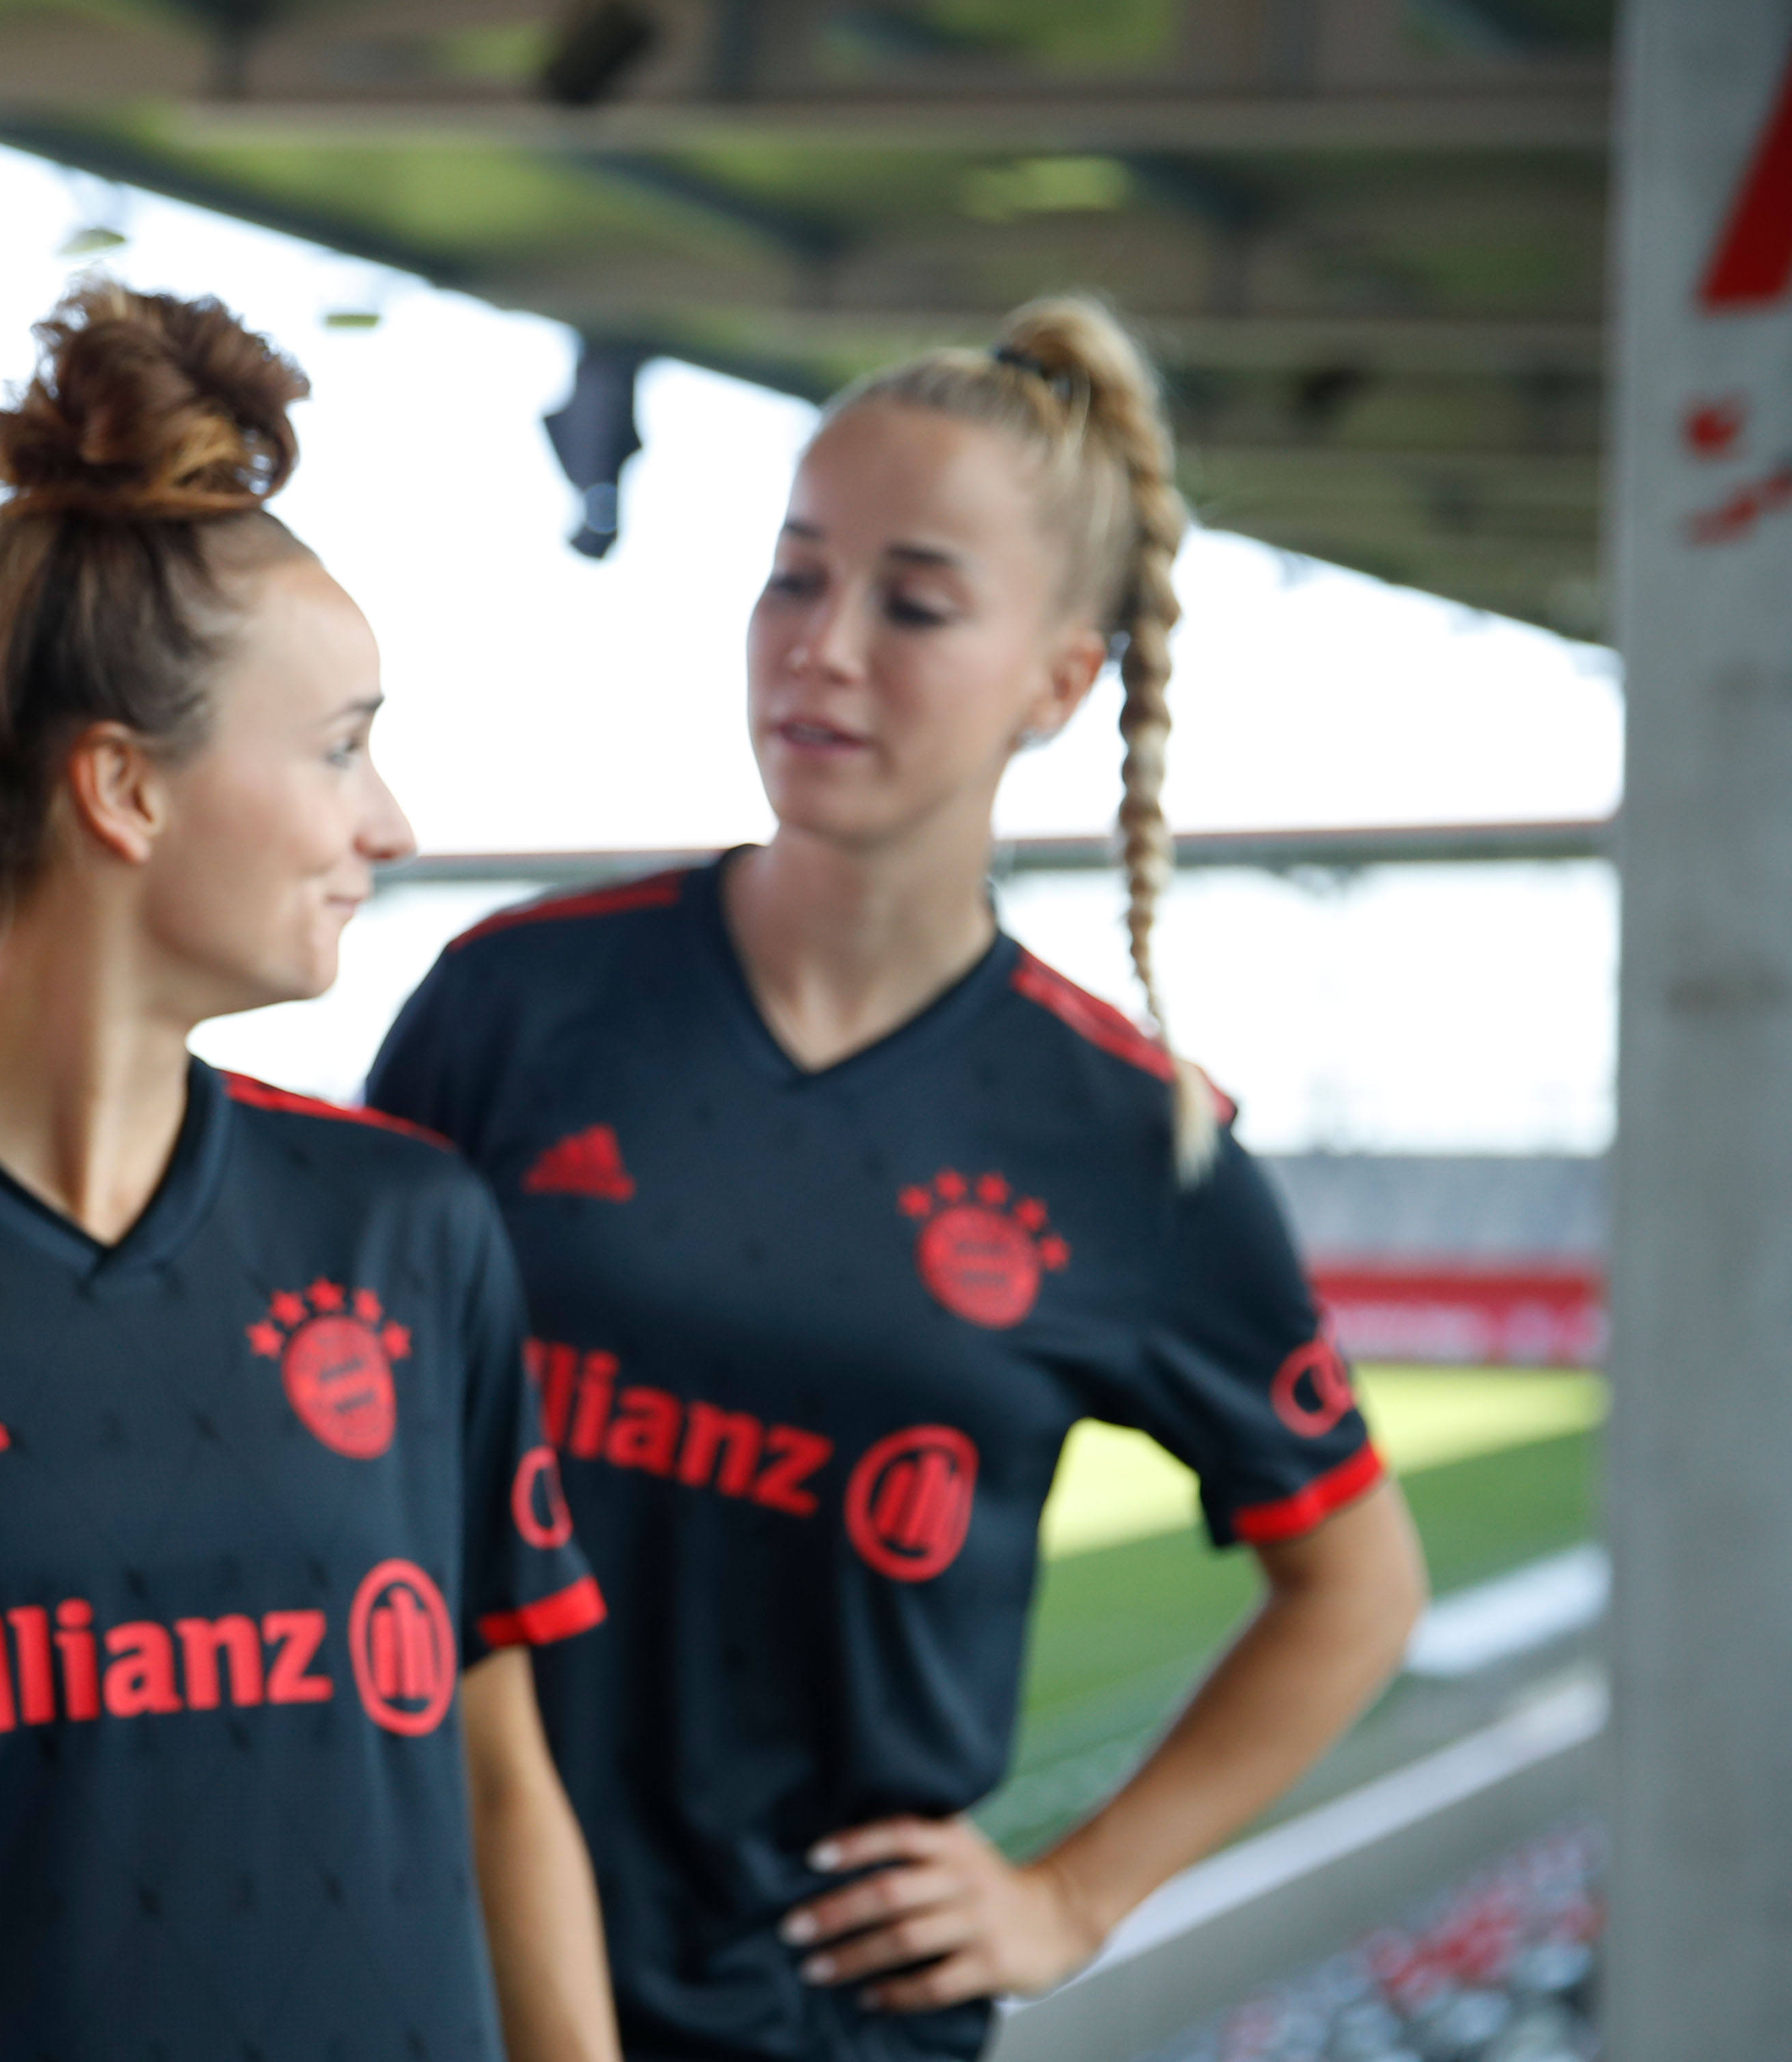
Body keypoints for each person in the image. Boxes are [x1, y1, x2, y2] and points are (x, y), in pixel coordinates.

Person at [367, 299, 1433, 2059]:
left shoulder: (1128, 1144)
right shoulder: (520, 1001)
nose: (824, 646)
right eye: (795, 577)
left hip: (821, 2027)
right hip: (430, 1974)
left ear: (1059, 683)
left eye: (915, 602)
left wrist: (1069, 1896)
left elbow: (1359, 1584)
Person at [0, 281, 620, 2062]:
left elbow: (502, 1778)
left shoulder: (409, 1227)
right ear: (123, 789)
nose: (388, 822)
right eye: (337, 747)